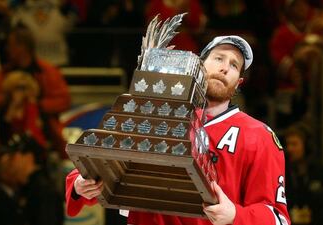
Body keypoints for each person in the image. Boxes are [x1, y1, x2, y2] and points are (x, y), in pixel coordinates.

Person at [65, 35, 291, 225]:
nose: (224, 67)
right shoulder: (154, 112)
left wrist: (235, 215)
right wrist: (80, 184)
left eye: (234, 65)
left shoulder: (258, 135)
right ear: (199, 65)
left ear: (239, 82)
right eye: (219, 58)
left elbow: (277, 217)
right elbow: (102, 155)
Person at [0, 26, 71, 158]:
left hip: (43, 136)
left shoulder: (47, 71)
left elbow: (64, 100)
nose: (7, 49)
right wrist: (10, 100)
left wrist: (36, 104)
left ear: (22, 47)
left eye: (11, 45)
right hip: (6, 135)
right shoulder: (3, 73)